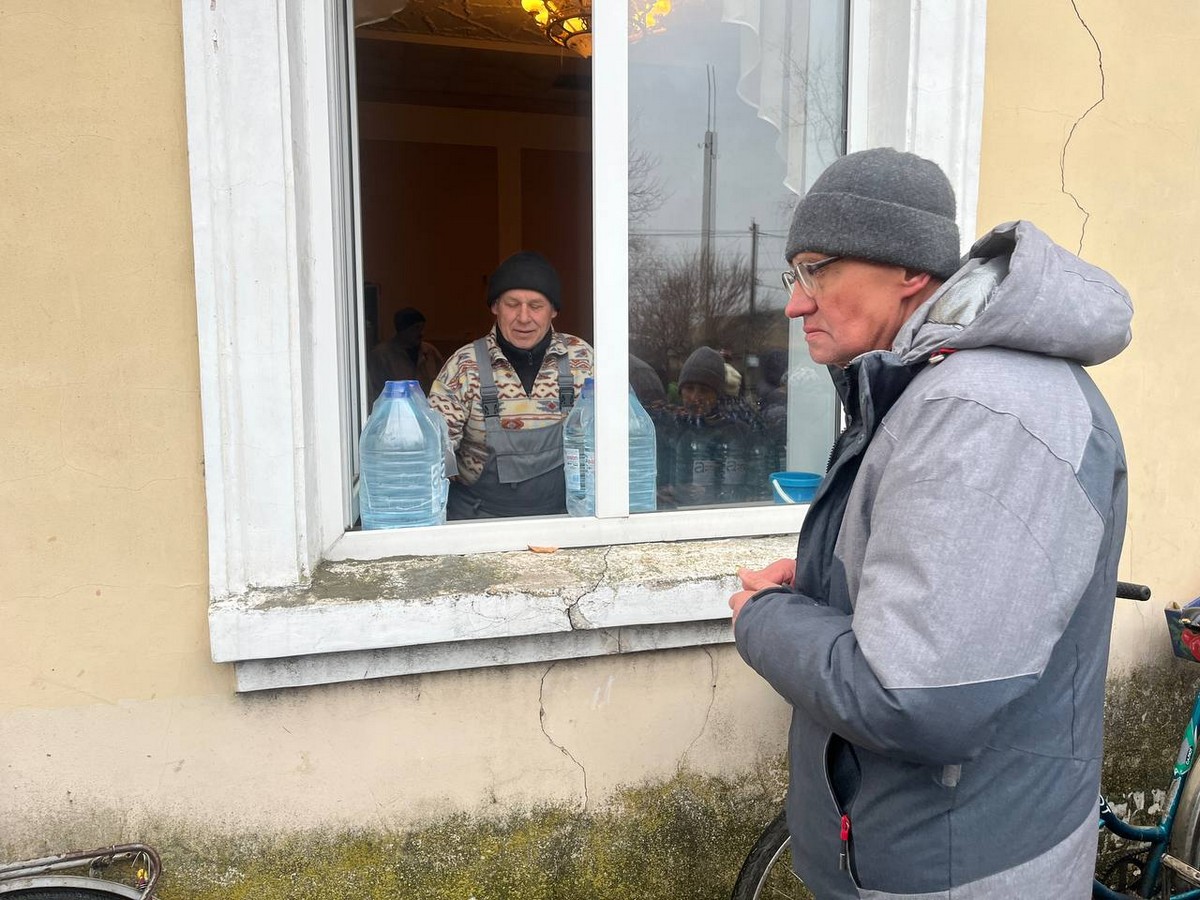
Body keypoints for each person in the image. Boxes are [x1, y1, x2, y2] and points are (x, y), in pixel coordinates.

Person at [729, 148, 1131, 898]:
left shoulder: (982, 410)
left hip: (961, 871)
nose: (795, 303)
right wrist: (819, 586)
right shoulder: (926, 385)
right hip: (912, 851)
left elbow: (913, 698)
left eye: (816, 269)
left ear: (909, 271)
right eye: (795, 276)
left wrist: (764, 615)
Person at [429, 251, 593, 519]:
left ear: (554, 311)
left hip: (564, 521)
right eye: (512, 304)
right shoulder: (464, 366)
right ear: (495, 306)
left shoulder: (581, 359)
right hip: (481, 522)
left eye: (536, 306)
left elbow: (613, 436)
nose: (524, 317)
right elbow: (431, 454)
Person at [366, 306, 445, 402]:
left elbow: (443, 384)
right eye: (415, 329)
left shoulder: (430, 352)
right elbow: (376, 392)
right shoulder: (381, 356)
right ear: (402, 330)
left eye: (422, 328)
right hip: (396, 412)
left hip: (428, 410)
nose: (421, 333)